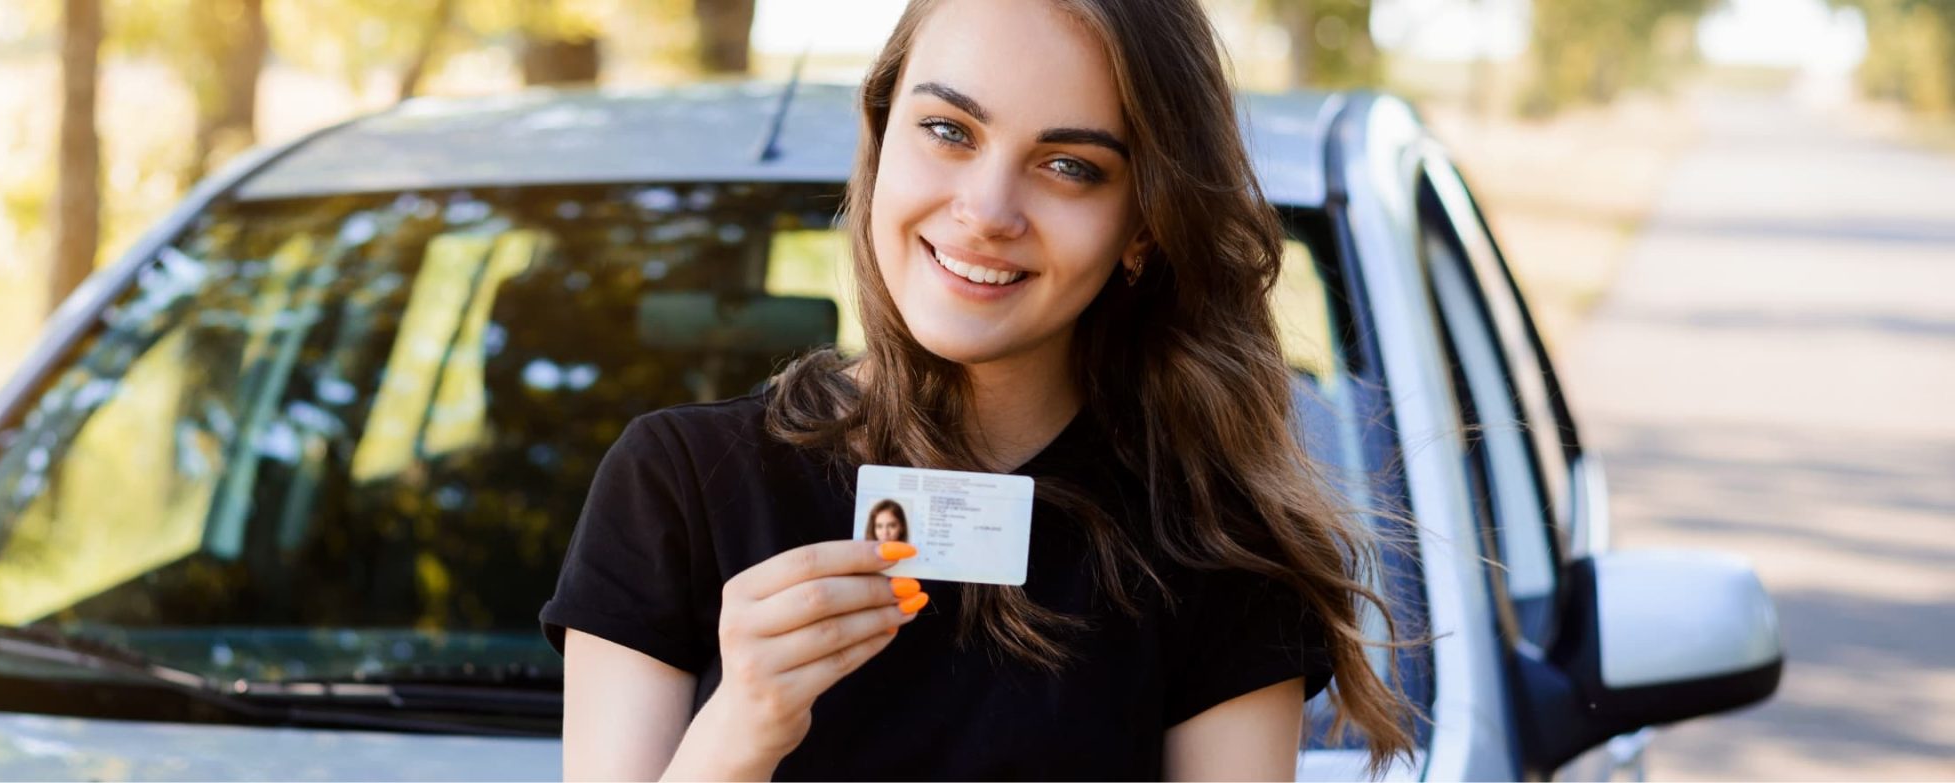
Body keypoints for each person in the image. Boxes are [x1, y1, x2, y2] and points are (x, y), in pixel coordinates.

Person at [538, 0, 1422, 778]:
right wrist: (739, 732)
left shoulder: (1213, 546)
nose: (988, 210)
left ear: (1143, 227)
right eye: (949, 131)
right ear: (881, 140)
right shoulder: (678, 485)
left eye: (1071, 165)